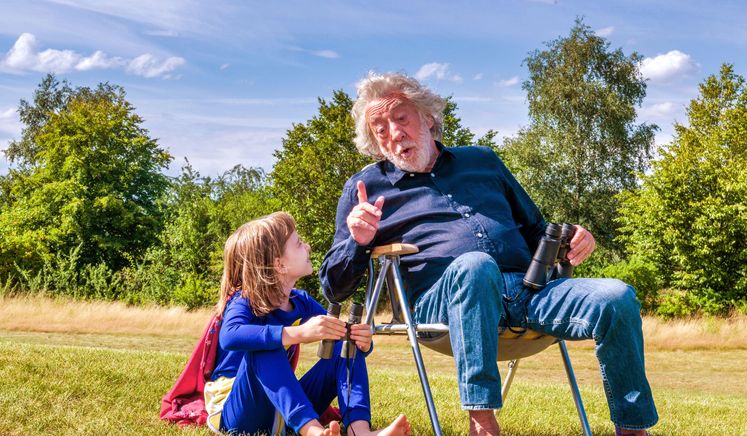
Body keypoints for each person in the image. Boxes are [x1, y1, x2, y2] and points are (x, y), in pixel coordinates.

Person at [320, 72, 658, 436]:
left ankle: (632, 429)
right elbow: (333, 288)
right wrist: (358, 240)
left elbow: (535, 229)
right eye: (379, 128)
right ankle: (481, 423)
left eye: (400, 118)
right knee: (475, 267)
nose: (393, 133)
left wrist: (575, 236)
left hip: (529, 290)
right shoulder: (366, 188)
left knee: (617, 297)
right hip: (442, 303)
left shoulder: (483, 160)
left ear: (428, 118)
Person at [208, 212, 411, 436]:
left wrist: (361, 341)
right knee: (264, 348)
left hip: (282, 412)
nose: (308, 247)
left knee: (343, 346)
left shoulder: (300, 301)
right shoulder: (244, 300)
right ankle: (312, 431)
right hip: (241, 416)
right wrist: (300, 332)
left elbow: (337, 336)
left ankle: (360, 431)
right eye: (298, 244)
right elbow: (230, 336)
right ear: (279, 265)